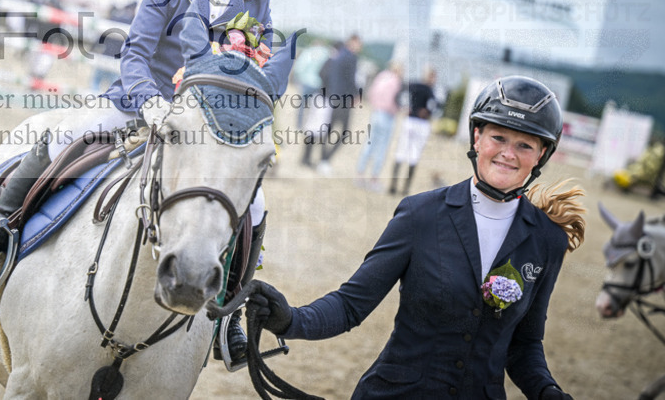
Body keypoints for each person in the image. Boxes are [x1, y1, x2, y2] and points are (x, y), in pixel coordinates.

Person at [0, 0, 296, 367]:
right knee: (64, 133)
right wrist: (151, 101)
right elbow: (135, 53)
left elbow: (247, 76)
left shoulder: (258, 6)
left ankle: (227, 315)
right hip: (135, 105)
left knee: (255, 202)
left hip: (202, 133)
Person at [245, 75, 586, 400]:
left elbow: (524, 344)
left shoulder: (547, 241)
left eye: (524, 144)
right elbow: (351, 305)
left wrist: (546, 391)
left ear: (541, 154)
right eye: (498, 138)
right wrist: (291, 319)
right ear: (477, 137)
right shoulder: (420, 215)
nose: (508, 154)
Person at [314, 34, 362, 175]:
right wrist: (356, 95)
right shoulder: (351, 58)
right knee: (344, 132)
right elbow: (351, 80)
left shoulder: (338, 56)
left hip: (332, 97)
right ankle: (325, 160)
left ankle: (323, 160)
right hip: (344, 100)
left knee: (329, 130)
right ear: (352, 42)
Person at [389, 66, 440, 195]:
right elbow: (434, 107)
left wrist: (405, 107)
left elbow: (400, 95)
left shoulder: (414, 85)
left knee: (407, 153)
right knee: (410, 153)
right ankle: (400, 187)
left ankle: (399, 186)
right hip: (419, 123)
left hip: (412, 121)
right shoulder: (429, 90)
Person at [355, 60, 403, 191]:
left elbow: (371, 93)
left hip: (376, 112)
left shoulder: (381, 76)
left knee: (369, 144)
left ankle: (360, 174)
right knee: (382, 147)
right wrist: (397, 109)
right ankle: (374, 178)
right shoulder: (395, 81)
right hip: (387, 115)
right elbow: (394, 100)